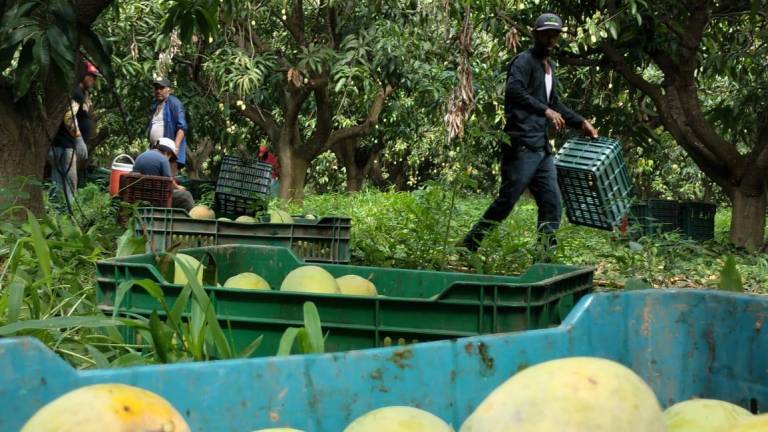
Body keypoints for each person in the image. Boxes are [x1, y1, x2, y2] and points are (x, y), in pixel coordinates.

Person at [459, 13, 598, 253]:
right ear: (536, 35)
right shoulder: (523, 62)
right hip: (521, 144)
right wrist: (545, 111)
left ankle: (543, 257)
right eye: (547, 35)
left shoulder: (550, 67)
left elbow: (554, 102)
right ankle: (469, 244)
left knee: (552, 203)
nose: (552, 40)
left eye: (555, 35)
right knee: (507, 200)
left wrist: (581, 122)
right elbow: (514, 92)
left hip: (541, 148)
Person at [48, 60, 100, 206]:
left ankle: (59, 210)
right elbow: (69, 116)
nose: (94, 81)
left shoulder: (82, 93)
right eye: (92, 76)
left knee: (60, 180)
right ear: (83, 75)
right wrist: (78, 138)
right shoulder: (76, 92)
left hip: (65, 145)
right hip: (65, 145)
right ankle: (65, 212)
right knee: (68, 180)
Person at [133, 137, 195, 211]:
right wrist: (178, 187)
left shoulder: (140, 156)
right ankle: (191, 219)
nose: (169, 159)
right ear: (168, 152)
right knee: (186, 196)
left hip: (138, 195)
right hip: (156, 198)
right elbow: (169, 182)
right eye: (170, 157)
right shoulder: (163, 159)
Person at [147, 78, 188, 176]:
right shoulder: (155, 105)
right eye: (156, 88)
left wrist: (176, 148)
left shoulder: (174, 103)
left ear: (169, 90)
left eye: (161, 88)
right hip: (156, 150)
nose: (158, 91)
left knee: (167, 181)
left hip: (169, 152)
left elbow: (182, 127)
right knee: (157, 181)